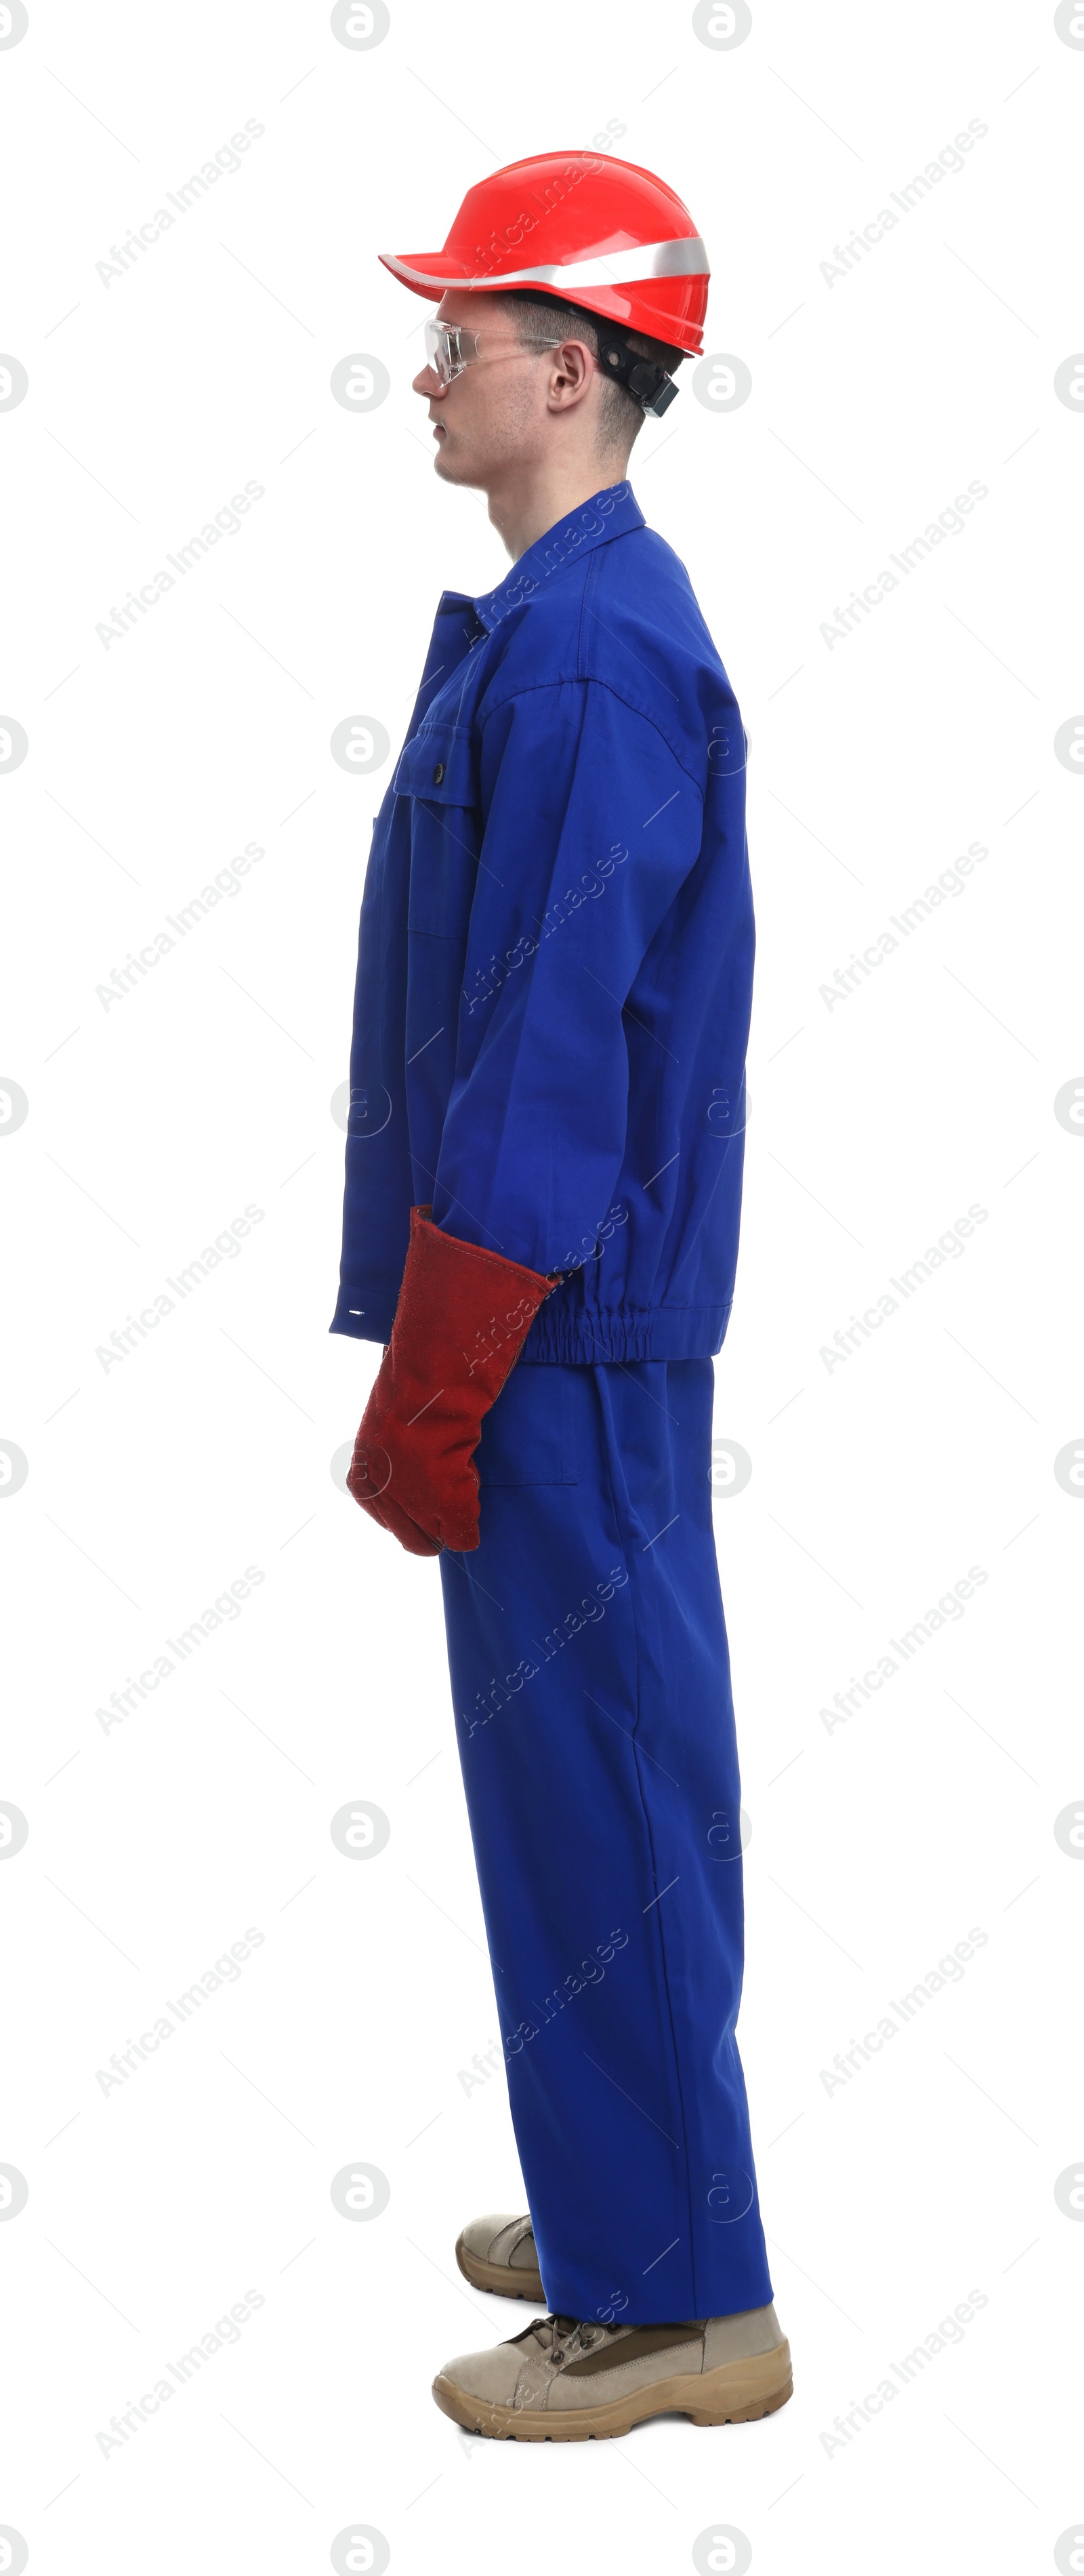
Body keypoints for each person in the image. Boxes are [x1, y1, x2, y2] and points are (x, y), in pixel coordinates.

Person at [332, 150, 792, 2442]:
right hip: (547, 1304)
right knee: (588, 1779)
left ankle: (678, 2299)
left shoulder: (601, 644)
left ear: (582, 371)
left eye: (466, 336)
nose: (429, 370)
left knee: (602, 1785)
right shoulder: (563, 619)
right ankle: (641, 2182)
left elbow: (551, 1028)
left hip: (551, 1312)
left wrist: (452, 1352)